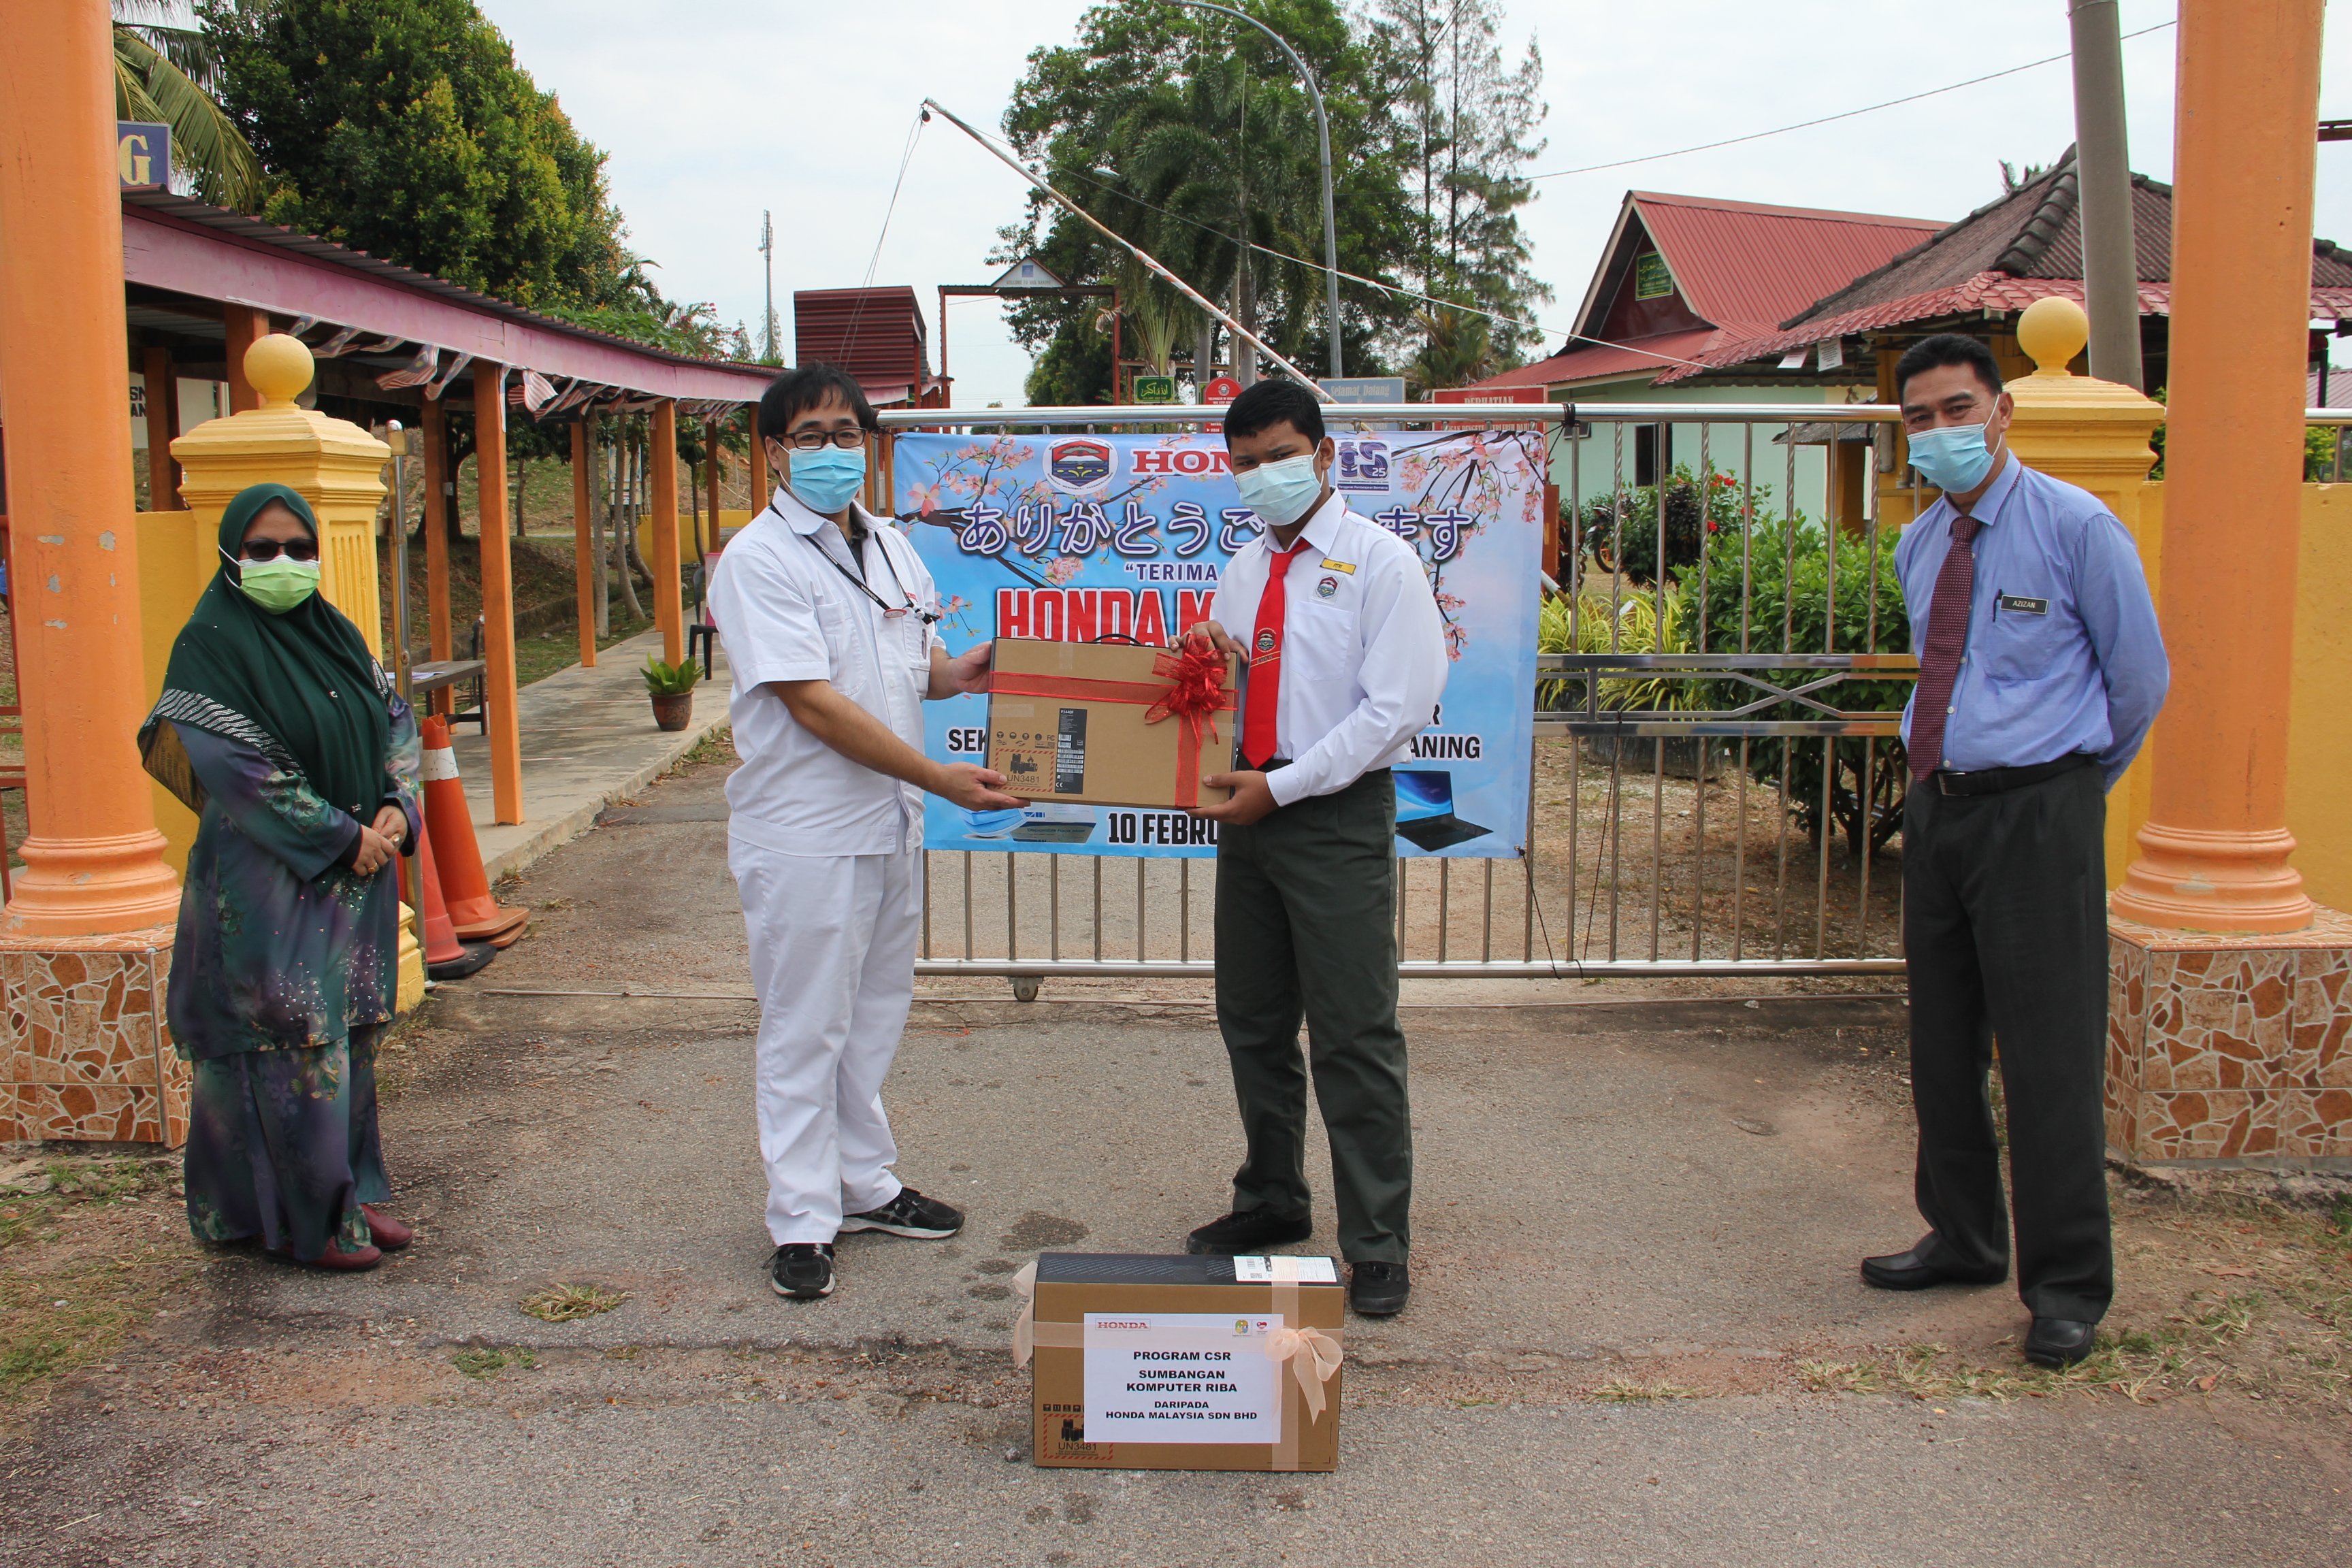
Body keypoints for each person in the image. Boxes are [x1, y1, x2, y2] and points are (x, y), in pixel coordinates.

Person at [1865, 333, 2168, 1367]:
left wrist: (2069, 788)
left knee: (2047, 1057)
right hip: (1941, 809)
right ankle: (1963, 1236)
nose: (1940, 432)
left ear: (2002, 413)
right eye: (1919, 418)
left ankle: (2068, 1285)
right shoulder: (1919, 544)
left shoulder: (2079, 529)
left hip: (2041, 813)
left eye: (1957, 410)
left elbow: (2139, 685)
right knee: (1942, 1042)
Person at [707, 364, 1019, 1302]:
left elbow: (903, 661)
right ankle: (802, 1220)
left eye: (848, 434)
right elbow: (811, 702)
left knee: (873, 1014)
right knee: (807, 1024)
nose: (833, 451)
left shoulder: (890, 546)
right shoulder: (758, 560)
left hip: (888, 821)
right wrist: (937, 776)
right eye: (810, 437)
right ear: (772, 451)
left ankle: (865, 1183)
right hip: (806, 830)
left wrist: (962, 673)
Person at [1184, 378, 1449, 1318]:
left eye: (1282, 457)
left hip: (1328, 815)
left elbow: (1397, 711)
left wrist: (1283, 788)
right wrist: (1204, 666)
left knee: (1354, 1033)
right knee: (1252, 1022)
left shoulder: (1381, 564)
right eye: (1247, 463)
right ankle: (1272, 1198)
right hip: (1247, 811)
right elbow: (1232, 679)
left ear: (1327, 455)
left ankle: (1376, 1241)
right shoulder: (1246, 566)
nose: (1264, 477)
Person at [138, 483, 423, 1271]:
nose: (284, 564)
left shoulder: (335, 634)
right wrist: (343, 835)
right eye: (262, 549)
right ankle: (312, 1223)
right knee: (291, 1044)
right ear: (233, 556)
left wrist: (398, 807)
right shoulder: (211, 648)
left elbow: (393, 719)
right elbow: (238, 771)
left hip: (356, 874)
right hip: (268, 882)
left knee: (349, 1039)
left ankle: (354, 1198)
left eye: (299, 549)